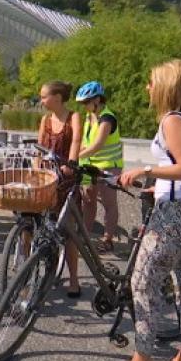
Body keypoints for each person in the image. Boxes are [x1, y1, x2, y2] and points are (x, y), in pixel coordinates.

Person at [120, 59, 181, 361]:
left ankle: (142, 358)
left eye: (152, 82)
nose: (147, 87)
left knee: (142, 284)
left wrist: (145, 170)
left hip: (176, 218)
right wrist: (160, 187)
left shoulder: (172, 121)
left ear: (167, 86)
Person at [36, 81, 83, 297]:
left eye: (44, 96)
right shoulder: (45, 120)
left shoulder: (74, 117)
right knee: (44, 227)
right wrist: (36, 169)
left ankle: (74, 279)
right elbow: (39, 149)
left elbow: (75, 143)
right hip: (47, 179)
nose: (42, 100)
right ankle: (45, 271)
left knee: (69, 232)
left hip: (66, 179)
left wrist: (70, 166)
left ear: (57, 97)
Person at [76, 81, 123, 254]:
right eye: (82, 103)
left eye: (86, 102)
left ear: (97, 99)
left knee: (109, 203)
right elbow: (84, 141)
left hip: (109, 166)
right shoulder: (89, 117)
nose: (84, 106)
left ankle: (108, 239)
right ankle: (86, 237)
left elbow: (97, 145)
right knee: (88, 202)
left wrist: (76, 156)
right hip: (89, 166)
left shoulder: (107, 118)